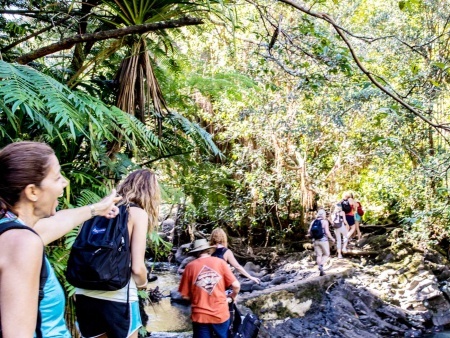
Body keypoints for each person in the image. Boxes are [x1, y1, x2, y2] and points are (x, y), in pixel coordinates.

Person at [0, 141, 119, 338]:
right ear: (32, 192)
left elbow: (59, 222)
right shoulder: (23, 243)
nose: (65, 182)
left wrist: (97, 209)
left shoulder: (10, 231)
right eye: (56, 178)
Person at [74, 169, 161, 338]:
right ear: (150, 193)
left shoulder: (99, 209)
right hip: (119, 297)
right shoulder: (137, 213)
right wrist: (143, 283)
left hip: (84, 292)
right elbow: (137, 268)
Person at [179, 238, 241, 338]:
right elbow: (236, 285)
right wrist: (232, 296)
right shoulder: (220, 262)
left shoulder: (189, 267)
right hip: (220, 313)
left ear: (195, 253)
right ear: (208, 250)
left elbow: (185, 296)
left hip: (200, 316)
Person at [308, 209, 335, 276]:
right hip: (323, 241)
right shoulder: (325, 222)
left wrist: (313, 237)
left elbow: (309, 231)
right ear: (324, 215)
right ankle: (321, 266)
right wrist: (332, 238)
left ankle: (320, 269)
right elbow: (327, 232)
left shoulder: (313, 221)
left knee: (319, 255)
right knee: (326, 254)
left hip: (315, 241)